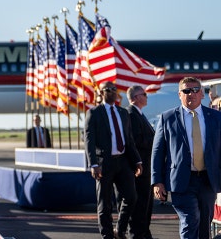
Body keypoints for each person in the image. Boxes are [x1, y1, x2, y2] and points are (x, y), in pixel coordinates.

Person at [151, 77, 221, 239]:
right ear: (179, 95)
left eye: (196, 90)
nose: (192, 94)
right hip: (182, 181)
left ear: (202, 94)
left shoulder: (215, 117)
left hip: (207, 179)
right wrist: (157, 181)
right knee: (190, 220)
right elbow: (158, 151)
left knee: (205, 223)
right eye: (187, 91)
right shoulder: (168, 118)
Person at [85, 81, 143, 239]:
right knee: (104, 204)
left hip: (123, 161)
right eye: (108, 90)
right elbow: (89, 141)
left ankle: (120, 229)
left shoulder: (122, 112)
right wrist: (93, 164)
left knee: (131, 197)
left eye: (114, 90)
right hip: (104, 163)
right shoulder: (94, 113)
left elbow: (129, 139)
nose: (112, 92)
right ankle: (107, 236)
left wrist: (137, 161)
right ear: (102, 93)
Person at [125, 85, 155, 239]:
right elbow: (134, 141)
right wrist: (155, 141)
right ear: (136, 97)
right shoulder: (131, 114)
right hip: (139, 168)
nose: (146, 96)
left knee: (147, 204)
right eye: (144, 94)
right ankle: (137, 234)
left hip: (147, 167)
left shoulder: (140, 114)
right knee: (140, 204)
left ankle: (144, 232)